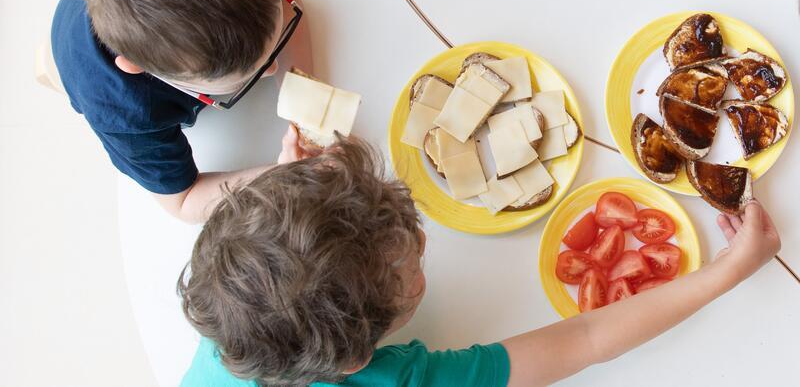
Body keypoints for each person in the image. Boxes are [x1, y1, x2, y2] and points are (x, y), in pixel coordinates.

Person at [176, 137, 781, 386]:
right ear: (361, 358)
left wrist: (300, 183)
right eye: (411, 269)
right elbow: (591, 337)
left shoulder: (226, 309)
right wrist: (725, 272)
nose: (424, 250)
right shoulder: (401, 380)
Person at [51, 0, 313, 223]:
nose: (274, 70)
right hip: (77, 60)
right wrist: (282, 175)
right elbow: (183, 201)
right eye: (245, 80)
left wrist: (307, 94)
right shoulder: (127, 112)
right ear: (141, 69)